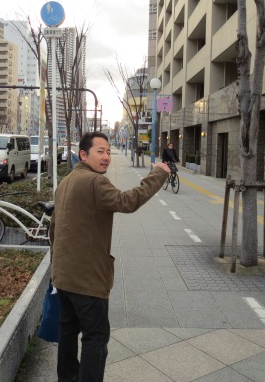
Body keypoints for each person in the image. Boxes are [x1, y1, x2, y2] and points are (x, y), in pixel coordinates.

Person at [49, 131, 170, 382]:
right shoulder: (95, 182)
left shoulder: (67, 181)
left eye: (108, 152)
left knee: (68, 333)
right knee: (95, 338)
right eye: (100, 152)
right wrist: (158, 174)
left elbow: (53, 228)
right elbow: (127, 202)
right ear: (83, 154)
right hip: (87, 280)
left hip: (63, 278)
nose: (106, 157)